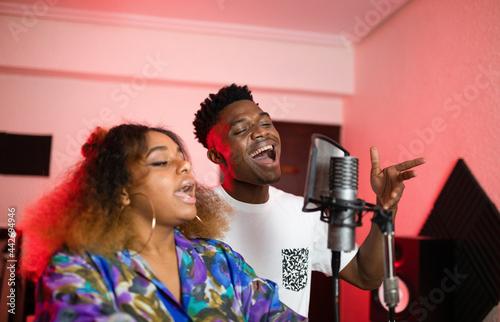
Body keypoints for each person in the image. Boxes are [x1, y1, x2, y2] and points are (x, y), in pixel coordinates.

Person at [19, 123, 307, 321]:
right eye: (160, 162)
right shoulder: (79, 268)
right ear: (119, 191)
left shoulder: (221, 261)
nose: (185, 166)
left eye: (183, 160)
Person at [193, 84, 427, 316]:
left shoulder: (303, 213)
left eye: (265, 123)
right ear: (216, 154)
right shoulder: (194, 216)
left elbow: (367, 276)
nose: (261, 132)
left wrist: (386, 208)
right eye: (241, 129)